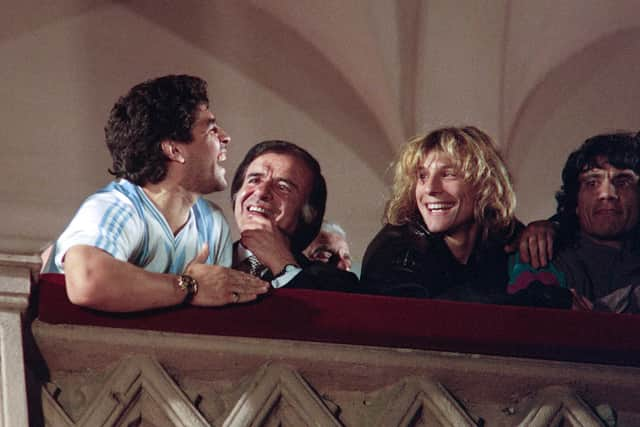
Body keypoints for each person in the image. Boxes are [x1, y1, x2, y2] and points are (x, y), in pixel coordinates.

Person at [43, 75, 268, 312]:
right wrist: (190, 286)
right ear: (174, 149)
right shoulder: (115, 206)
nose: (225, 137)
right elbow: (88, 281)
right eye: (211, 129)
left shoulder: (212, 223)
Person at [361, 126, 521, 303]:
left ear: (485, 184)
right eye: (422, 176)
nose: (430, 188)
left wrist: (547, 230)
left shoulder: (503, 234)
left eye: (448, 174)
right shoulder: (395, 252)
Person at [509, 132, 640, 313]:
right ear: (575, 201)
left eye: (623, 182)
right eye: (592, 182)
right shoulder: (542, 255)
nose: (607, 194)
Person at [231, 140, 359, 291]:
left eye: (282, 187)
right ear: (237, 194)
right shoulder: (202, 259)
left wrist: (284, 266)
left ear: (308, 212)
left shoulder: (336, 283)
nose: (261, 192)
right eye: (254, 180)